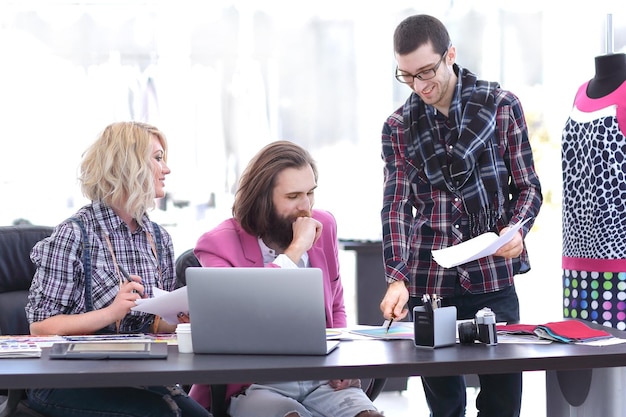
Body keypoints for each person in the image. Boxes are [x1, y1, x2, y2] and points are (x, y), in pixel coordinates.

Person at [378, 14, 542, 417]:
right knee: (445, 408)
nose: (420, 85)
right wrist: (397, 275)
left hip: (493, 276)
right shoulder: (398, 127)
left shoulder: (502, 107)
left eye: (427, 71)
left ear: (450, 54)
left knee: (503, 404)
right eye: (408, 76)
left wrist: (515, 229)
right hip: (428, 283)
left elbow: (528, 188)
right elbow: (396, 205)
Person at [25, 121, 211, 417]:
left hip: (137, 374)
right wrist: (110, 313)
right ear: (129, 165)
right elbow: (41, 328)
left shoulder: (159, 238)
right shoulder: (74, 234)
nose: (167, 169)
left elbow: (151, 325)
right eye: (158, 158)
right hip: (66, 380)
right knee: (165, 414)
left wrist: (179, 319)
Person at [188, 140, 383, 417]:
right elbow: (241, 314)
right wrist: (295, 251)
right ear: (263, 200)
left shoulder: (323, 225)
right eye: (293, 197)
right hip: (256, 383)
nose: (306, 207)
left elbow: (336, 307)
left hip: (320, 377)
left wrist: (342, 365)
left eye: (310, 193)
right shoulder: (217, 245)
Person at [562, 52, 626, 328]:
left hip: (619, 256)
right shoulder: (579, 94)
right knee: (577, 351)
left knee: (616, 358)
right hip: (574, 257)